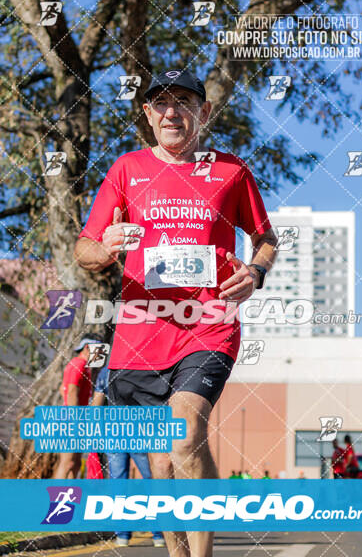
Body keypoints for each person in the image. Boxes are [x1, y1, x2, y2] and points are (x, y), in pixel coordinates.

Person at [74, 69, 277, 557]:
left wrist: (255, 272)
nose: (171, 112)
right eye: (160, 103)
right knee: (162, 464)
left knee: (185, 435)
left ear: (202, 113)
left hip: (209, 325)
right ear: (147, 114)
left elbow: (265, 239)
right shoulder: (126, 170)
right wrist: (103, 248)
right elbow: (84, 248)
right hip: (140, 334)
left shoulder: (231, 171)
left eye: (184, 102)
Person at [91, 366, 165, 548]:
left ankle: (122, 535)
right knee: (151, 480)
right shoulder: (143, 368)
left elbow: (97, 403)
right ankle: (158, 534)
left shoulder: (106, 371)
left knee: (118, 483)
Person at [53, 334, 102, 479]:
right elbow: (71, 391)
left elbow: (63, 389)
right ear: (88, 347)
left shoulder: (84, 367)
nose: (101, 354)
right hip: (71, 421)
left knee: (74, 464)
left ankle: (69, 499)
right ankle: (56, 500)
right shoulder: (78, 364)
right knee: (67, 463)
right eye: (99, 350)